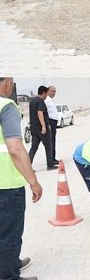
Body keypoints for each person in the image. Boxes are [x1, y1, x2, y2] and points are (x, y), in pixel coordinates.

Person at [0, 77, 42, 280]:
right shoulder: (6, 106)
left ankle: (10, 263)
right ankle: (9, 276)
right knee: (9, 235)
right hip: (6, 185)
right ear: (6, 82)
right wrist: (33, 181)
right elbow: (15, 149)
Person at [28, 86, 55, 170]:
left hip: (33, 127)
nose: (46, 96)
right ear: (43, 93)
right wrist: (44, 126)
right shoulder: (40, 101)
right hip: (40, 128)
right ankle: (50, 165)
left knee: (34, 147)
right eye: (46, 94)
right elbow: (40, 113)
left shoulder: (32, 101)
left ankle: (28, 166)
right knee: (48, 146)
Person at [44, 85, 59, 165]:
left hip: (53, 122)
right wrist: (47, 123)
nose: (54, 93)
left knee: (53, 140)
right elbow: (44, 112)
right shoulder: (46, 100)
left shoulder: (51, 100)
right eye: (52, 91)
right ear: (48, 91)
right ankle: (51, 159)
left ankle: (53, 158)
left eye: (55, 91)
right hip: (50, 122)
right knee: (51, 141)